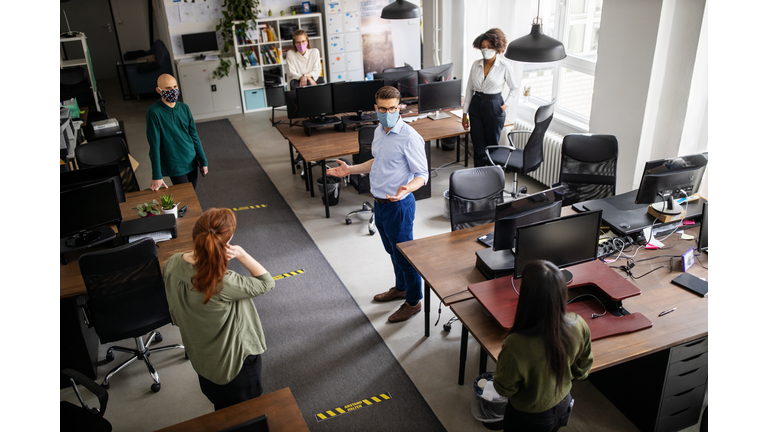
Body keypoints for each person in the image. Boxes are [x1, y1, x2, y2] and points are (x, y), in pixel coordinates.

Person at [326, 86, 429, 323]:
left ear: (399, 107)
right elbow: (378, 161)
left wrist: (408, 188)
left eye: (392, 108)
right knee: (392, 251)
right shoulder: (379, 132)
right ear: (376, 109)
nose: (388, 113)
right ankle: (401, 288)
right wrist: (350, 169)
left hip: (399, 206)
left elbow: (422, 174)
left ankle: (413, 302)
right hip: (380, 204)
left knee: (405, 256)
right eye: (383, 109)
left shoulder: (410, 137)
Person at [163, 208, 275, 411]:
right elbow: (266, 282)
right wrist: (241, 254)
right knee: (245, 415)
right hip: (235, 366)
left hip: (203, 358)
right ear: (227, 240)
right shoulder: (221, 281)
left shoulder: (171, 263)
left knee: (222, 410)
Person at [493, 260, 594, 432]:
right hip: (563, 403)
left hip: (528, 416)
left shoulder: (516, 344)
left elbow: (504, 388)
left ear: (527, 297)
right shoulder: (579, 324)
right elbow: (583, 369)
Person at [462, 28, 518, 167]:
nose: (486, 50)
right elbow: (469, 90)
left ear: (497, 48)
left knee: (492, 147)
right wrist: (464, 113)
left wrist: (505, 105)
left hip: (494, 105)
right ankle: (478, 176)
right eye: (483, 47)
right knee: (478, 145)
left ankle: (492, 178)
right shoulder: (476, 65)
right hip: (476, 105)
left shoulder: (505, 66)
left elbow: (514, 89)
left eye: (490, 47)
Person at [146, 73, 209, 191]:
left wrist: (203, 160)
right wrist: (157, 175)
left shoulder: (184, 108)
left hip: (190, 159)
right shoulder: (154, 113)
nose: (173, 91)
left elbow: (194, 135)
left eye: (175, 87)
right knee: (186, 194)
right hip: (174, 163)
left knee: (192, 194)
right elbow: (154, 145)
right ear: (158, 90)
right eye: (168, 88)